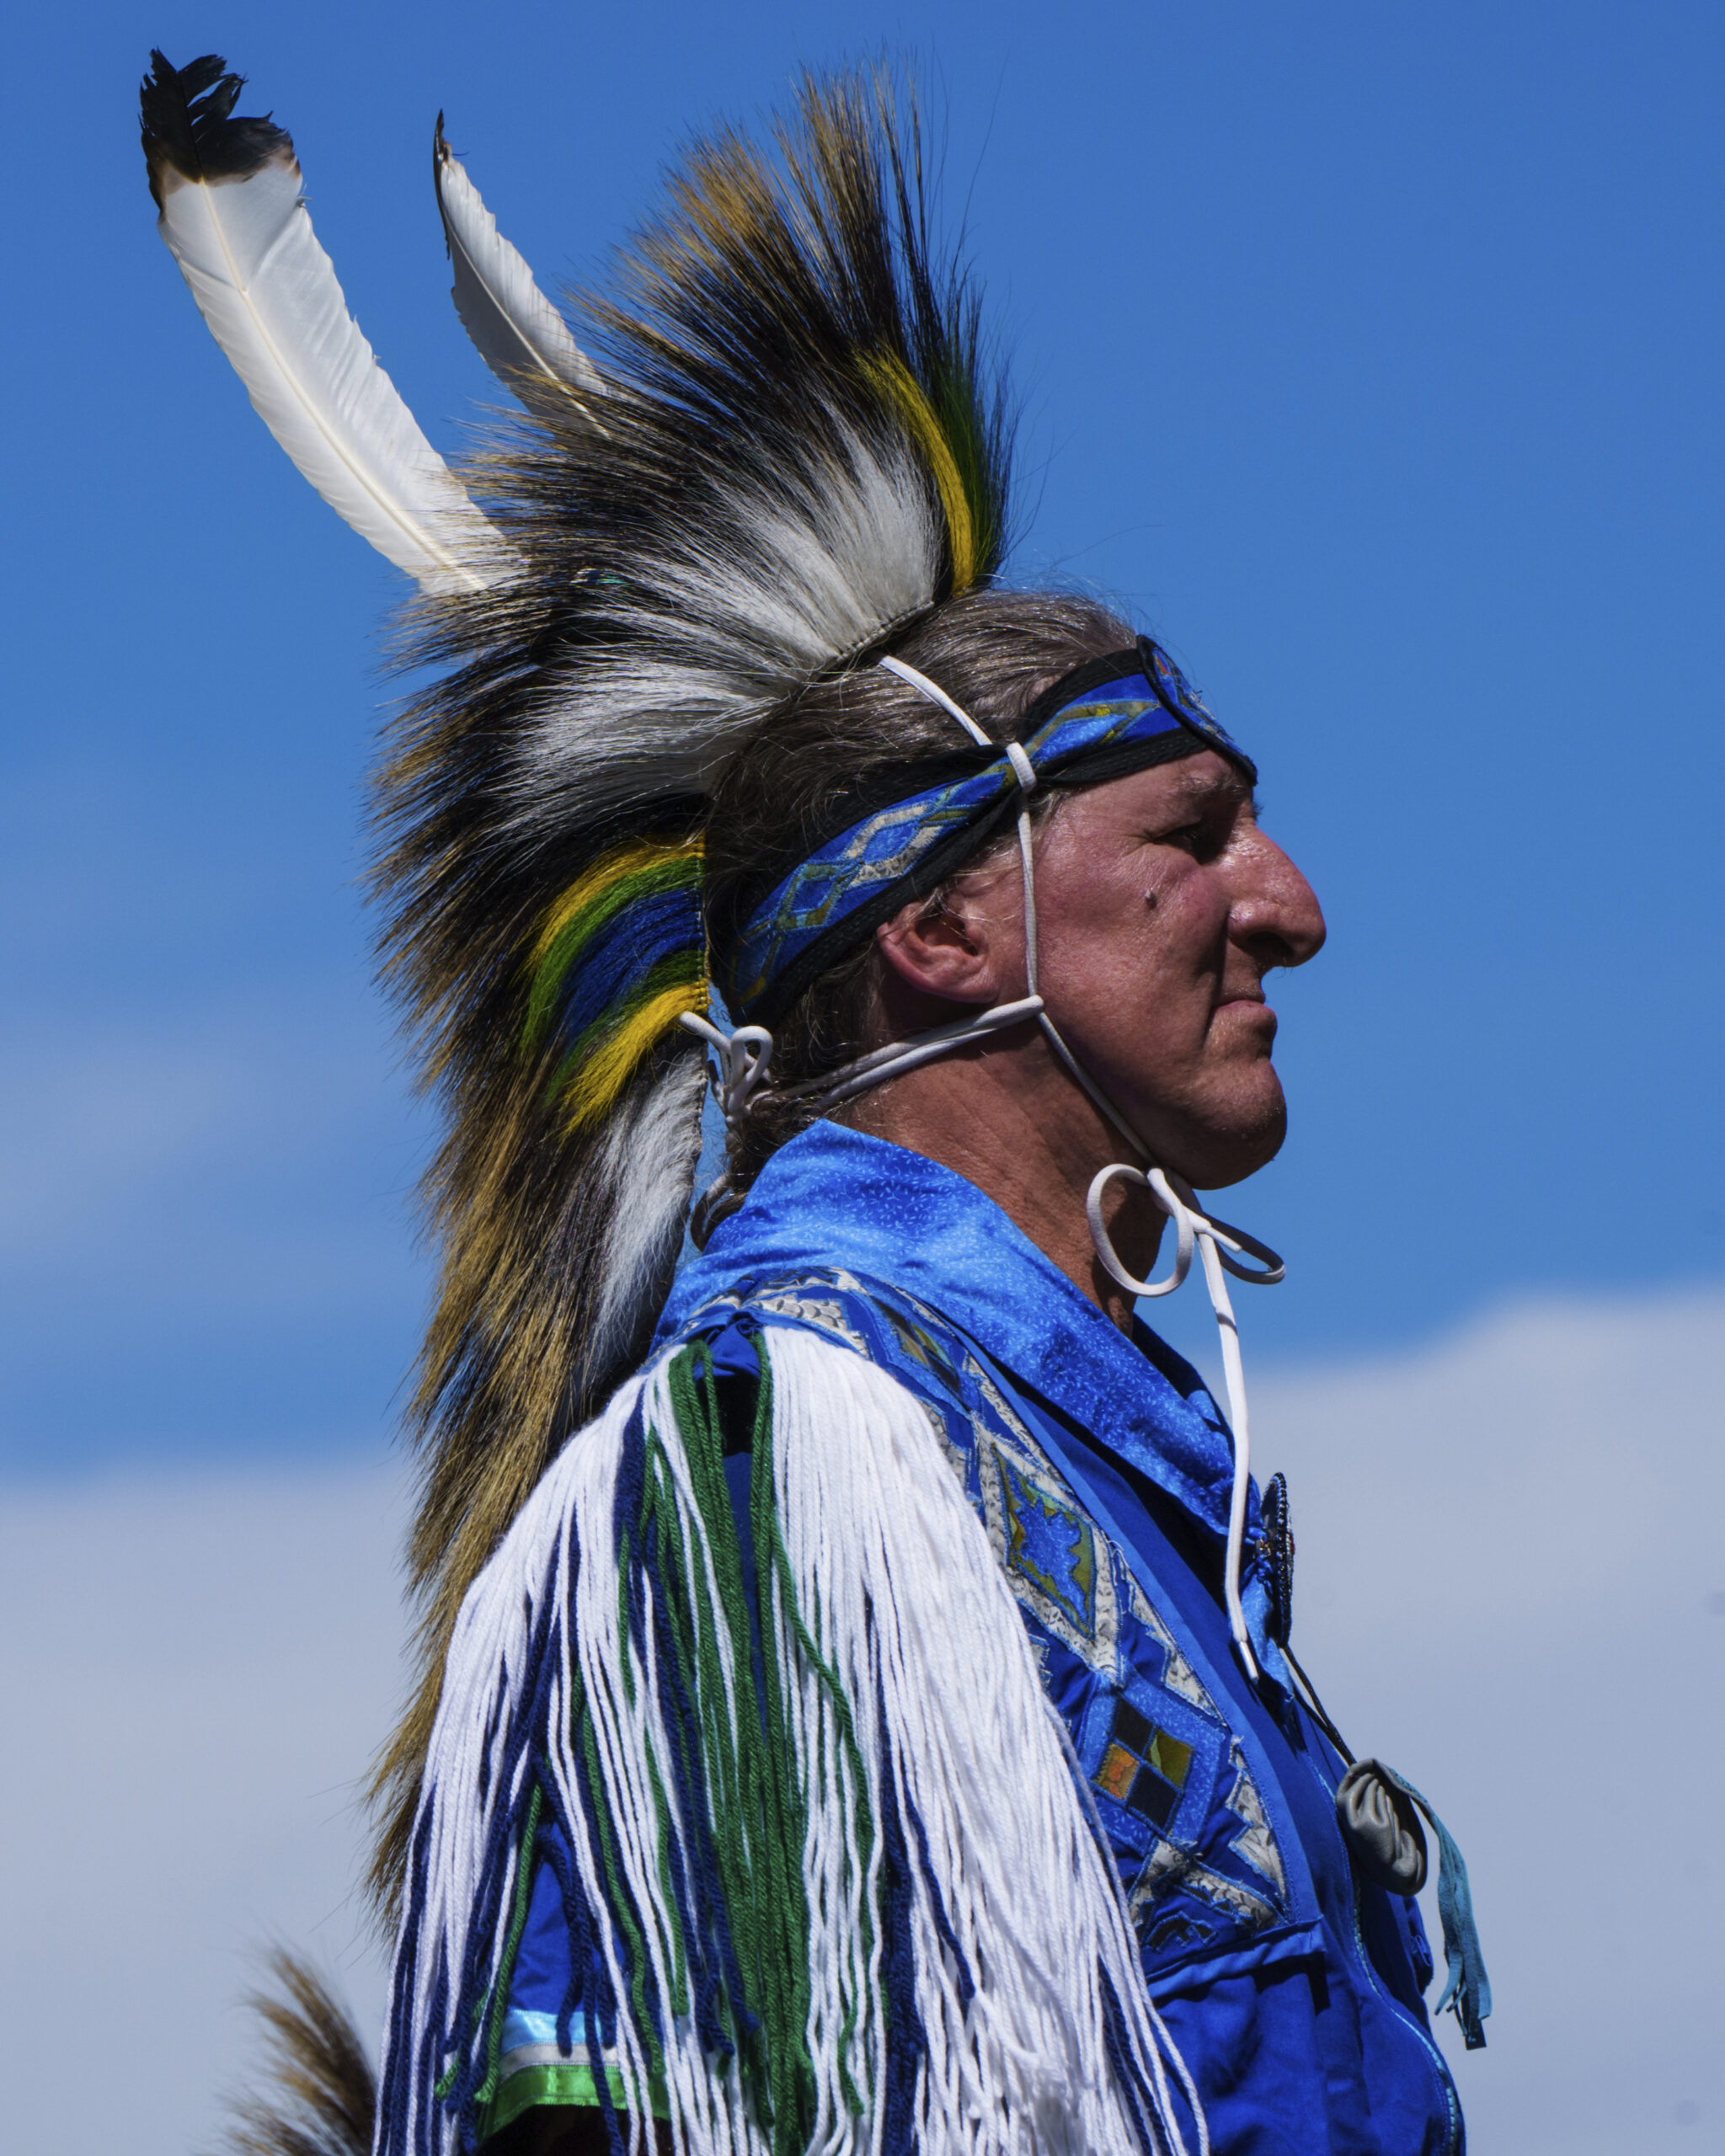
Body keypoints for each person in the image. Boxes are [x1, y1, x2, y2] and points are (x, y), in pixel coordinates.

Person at [141, 48, 1487, 2156]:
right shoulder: (775, 1485)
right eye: (1196, 833)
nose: (1287, 907)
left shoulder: (1079, 1470)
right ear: (945, 931)